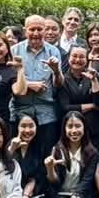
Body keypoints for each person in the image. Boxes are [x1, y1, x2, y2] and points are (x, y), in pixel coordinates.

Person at [11, 15, 64, 152]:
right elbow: (10, 81)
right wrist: (29, 85)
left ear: (45, 30)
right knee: (20, 154)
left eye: (39, 29)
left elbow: (58, 85)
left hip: (46, 113)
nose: (35, 33)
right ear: (25, 31)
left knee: (45, 153)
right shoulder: (14, 51)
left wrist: (56, 71)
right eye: (32, 29)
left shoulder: (54, 51)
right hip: (20, 110)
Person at [43, 110, 97, 198]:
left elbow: (86, 182)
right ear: (64, 129)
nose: (74, 131)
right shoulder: (56, 150)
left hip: (80, 195)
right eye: (70, 126)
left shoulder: (92, 152)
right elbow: (54, 183)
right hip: (61, 193)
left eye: (78, 126)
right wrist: (50, 169)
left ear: (84, 128)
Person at [56, 44, 99, 149]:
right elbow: (65, 107)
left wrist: (94, 81)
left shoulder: (95, 76)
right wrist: (91, 106)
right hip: (72, 130)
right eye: (74, 56)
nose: (77, 60)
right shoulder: (63, 79)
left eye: (82, 57)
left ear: (87, 59)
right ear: (68, 57)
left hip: (94, 128)